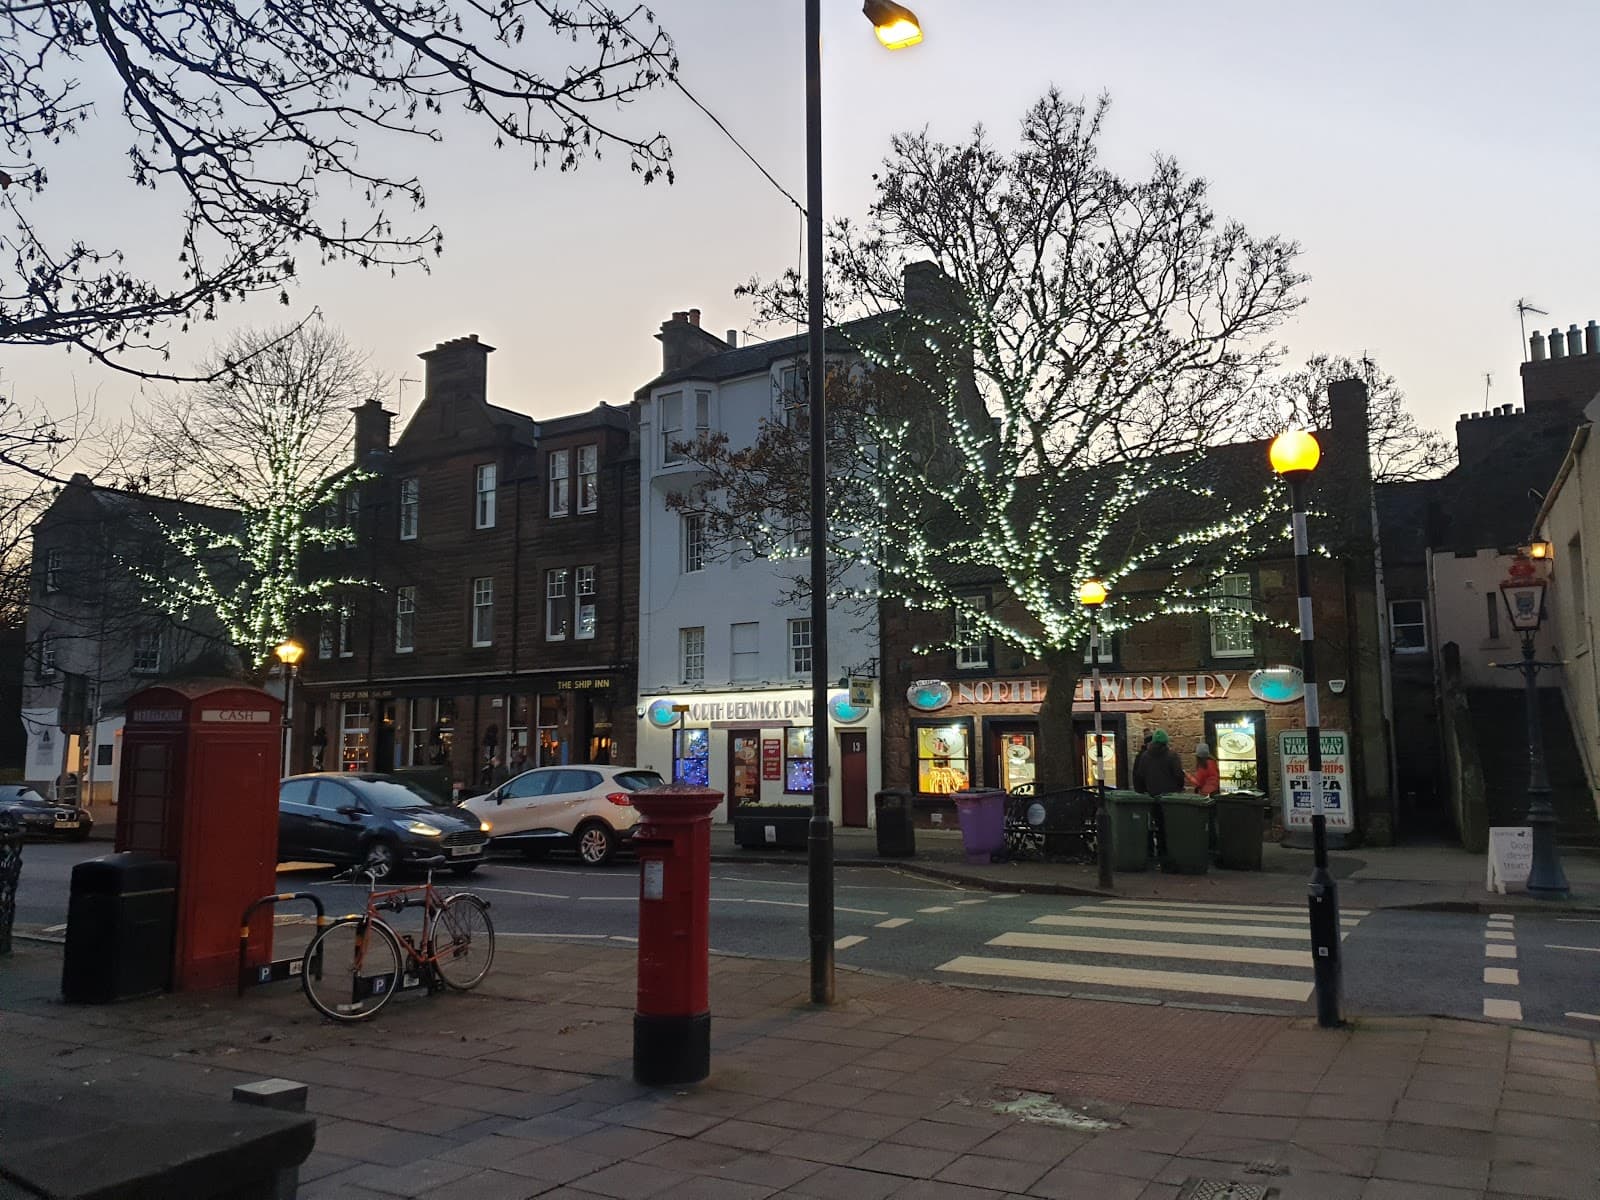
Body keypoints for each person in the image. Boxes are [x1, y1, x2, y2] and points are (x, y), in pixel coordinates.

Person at [1132, 730, 1185, 796]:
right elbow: (1179, 775)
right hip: (1170, 798)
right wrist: (1179, 788)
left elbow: (1140, 776)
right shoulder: (1172, 756)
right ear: (1166, 741)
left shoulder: (1144, 756)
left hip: (1151, 795)